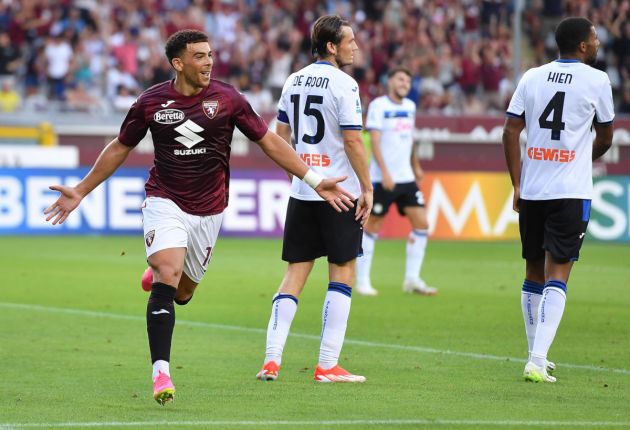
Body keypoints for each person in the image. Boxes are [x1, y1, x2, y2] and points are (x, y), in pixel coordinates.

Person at [44, 29, 356, 405]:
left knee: (184, 292)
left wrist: (314, 179)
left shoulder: (227, 99)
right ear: (178, 63)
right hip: (164, 200)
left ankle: (162, 273)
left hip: (209, 210)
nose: (208, 62)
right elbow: (120, 147)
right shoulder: (151, 102)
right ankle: (161, 372)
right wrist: (81, 189)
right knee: (168, 272)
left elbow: (270, 141)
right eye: (199, 56)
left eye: (210, 55)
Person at [255, 15, 372, 383]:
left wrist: (299, 177)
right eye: (350, 40)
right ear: (332, 47)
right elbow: (353, 140)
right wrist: (367, 188)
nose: (356, 46)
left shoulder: (294, 79)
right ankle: (327, 365)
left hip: (305, 189)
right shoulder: (345, 84)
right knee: (343, 273)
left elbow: (279, 135)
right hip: (339, 192)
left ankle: (271, 360)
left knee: (294, 273)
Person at [502, 17, 614, 383]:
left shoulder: (531, 76)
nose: (598, 42)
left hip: (533, 189)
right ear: (582, 46)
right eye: (594, 37)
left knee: (533, 271)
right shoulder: (597, 80)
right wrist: (581, 157)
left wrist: (517, 183)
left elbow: (510, 130)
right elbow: (607, 135)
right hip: (570, 192)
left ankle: (536, 355)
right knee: (559, 274)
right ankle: (536, 359)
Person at [355, 66, 437, 297]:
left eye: (408, 81)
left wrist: (416, 165)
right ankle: (362, 281)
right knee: (373, 226)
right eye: (400, 79)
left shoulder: (410, 107)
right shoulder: (379, 106)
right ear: (390, 81)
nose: (404, 84)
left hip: (406, 178)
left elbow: (408, 139)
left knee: (421, 224)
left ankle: (412, 279)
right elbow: (376, 141)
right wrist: (385, 173)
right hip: (383, 179)